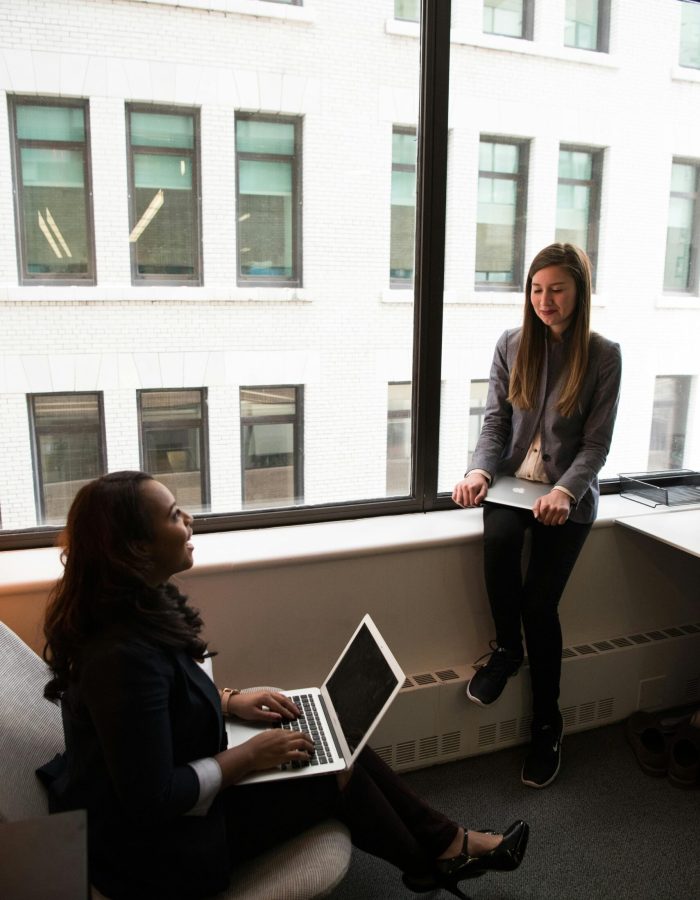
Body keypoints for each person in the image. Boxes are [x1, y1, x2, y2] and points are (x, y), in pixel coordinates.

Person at [39, 470, 529, 900]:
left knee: (335, 741)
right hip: (152, 853)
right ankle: (440, 856)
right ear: (135, 548)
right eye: (172, 515)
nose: (188, 520)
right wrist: (250, 756)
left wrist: (231, 701)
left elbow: (165, 699)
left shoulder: (136, 608)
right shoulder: (121, 656)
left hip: (178, 788)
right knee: (335, 772)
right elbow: (153, 802)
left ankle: (444, 848)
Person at [453, 243, 622, 790]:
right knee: (499, 539)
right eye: (537, 289)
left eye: (557, 289)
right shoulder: (511, 344)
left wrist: (567, 493)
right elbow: (495, 423)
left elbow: (596, 446)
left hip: (565, 498)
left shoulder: (603, 355)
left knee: (540, 604)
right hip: (511, 486)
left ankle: (548, 725)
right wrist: (480, 472)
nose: (545, 300)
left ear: (579, 293)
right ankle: (506, 649)